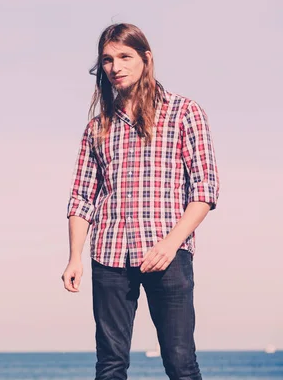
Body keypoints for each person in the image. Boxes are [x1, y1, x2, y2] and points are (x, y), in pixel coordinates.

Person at [61, 23, 220, 380]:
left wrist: (171, 243)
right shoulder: (97, 128)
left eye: (124, 56)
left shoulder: (183, 112)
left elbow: (205, 190)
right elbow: (82, 196)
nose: (115, 66)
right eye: (107, 59)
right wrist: (74, 257)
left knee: (180, 362)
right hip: (109, 256)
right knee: (110, 365)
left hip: (168, 255)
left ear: (145, 59)